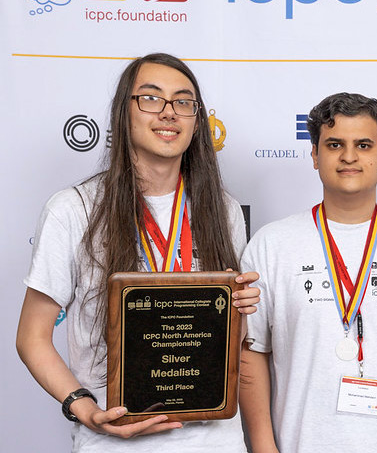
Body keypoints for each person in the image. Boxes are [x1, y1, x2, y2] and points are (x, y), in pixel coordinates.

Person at [15, 53, 261, 452]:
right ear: (123, 112)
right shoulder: (74, 209)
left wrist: (240, 311)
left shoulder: (223, 210)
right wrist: (84, 407)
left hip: (213, 441)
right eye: (151, 98)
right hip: (113, 440)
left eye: (183, 102)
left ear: (196, 120)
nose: (169, 113)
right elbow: (31, 337)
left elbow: (229, 345)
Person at [238, 92, 377, 452]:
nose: (348, 156)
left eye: (363, 145)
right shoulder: (272, 245)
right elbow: (252, 352)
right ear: (314, 155)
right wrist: (265, 447)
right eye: (334, 144)